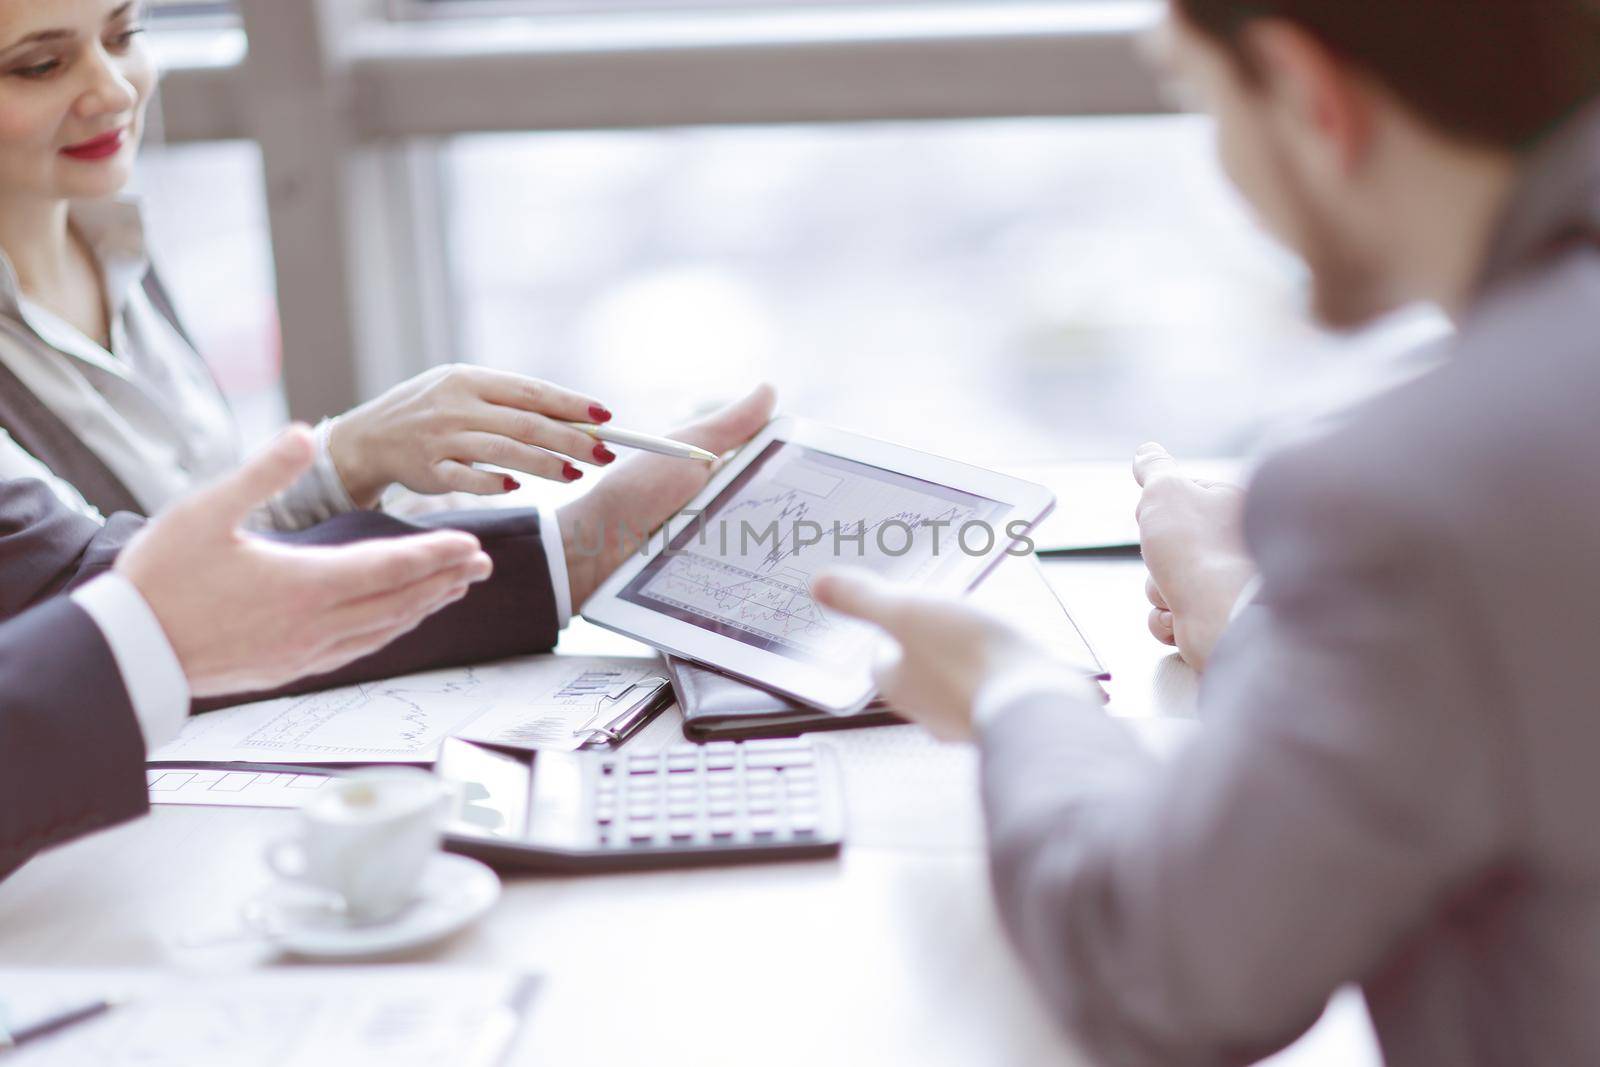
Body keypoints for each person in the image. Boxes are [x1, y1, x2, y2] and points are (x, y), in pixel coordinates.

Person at [814, 2, 1600, 1064]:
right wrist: (1262, 621)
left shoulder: (1420, 492)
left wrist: (1013, 688)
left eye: (1200, 97)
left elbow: (1168, 965)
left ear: (1302, 89)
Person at [2, 384, 776, 878]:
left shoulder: (121, 245)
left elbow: (68, 579)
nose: (114, 111)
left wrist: (578, 548)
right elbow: (112, 600)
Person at [0, 0, 630, 527]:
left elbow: (204, 521)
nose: (113, 89)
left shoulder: (111, 238)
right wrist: (341, 461)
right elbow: (94, 603)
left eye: (123, 35)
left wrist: (378, 508)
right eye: (41, 65)